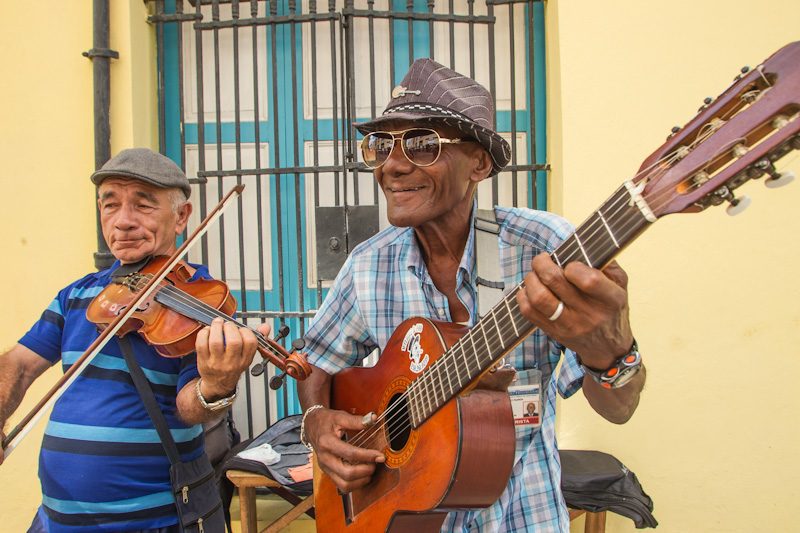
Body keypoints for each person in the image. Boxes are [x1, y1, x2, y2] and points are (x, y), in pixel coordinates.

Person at [297, 59, 646, 531]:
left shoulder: (544, 248)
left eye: (422, 144)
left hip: (523, 517)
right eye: (381, 146)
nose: (393, 166)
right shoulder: (368, 264)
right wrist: (316, 422)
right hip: (398, 516)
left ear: (479, 163)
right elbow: (317, 363)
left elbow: (619, 410)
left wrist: (611, 350)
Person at [0, 148, 265, 532]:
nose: (122, 222)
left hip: (154, 522)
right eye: (110, 205)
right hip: (55, 521)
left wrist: (216, 384)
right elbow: (19, 365)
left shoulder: (200, 303)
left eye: (143, 206)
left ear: (182, 217)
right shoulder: (76, 296)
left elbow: (192, 409)